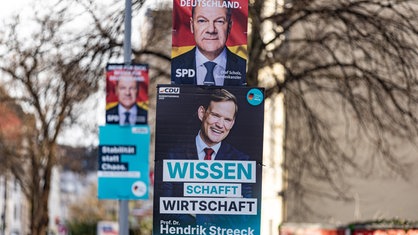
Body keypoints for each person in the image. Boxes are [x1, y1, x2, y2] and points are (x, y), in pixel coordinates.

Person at [158, 89, 253, 229]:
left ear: (232, 123)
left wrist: (194, 210)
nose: (220, 125)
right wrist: (221, 209)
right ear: (202, 113)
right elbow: (164, 210)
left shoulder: (241, 161)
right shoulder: (173, 155)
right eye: (215, 115)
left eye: (227, 119)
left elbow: (245, 218)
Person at [171, 0, 247, 86]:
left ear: (229, 26)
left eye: (219, 21)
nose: (211, 30)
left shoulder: (244, 67)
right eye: (202, 21)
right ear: (192, 25)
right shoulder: (174, 66)